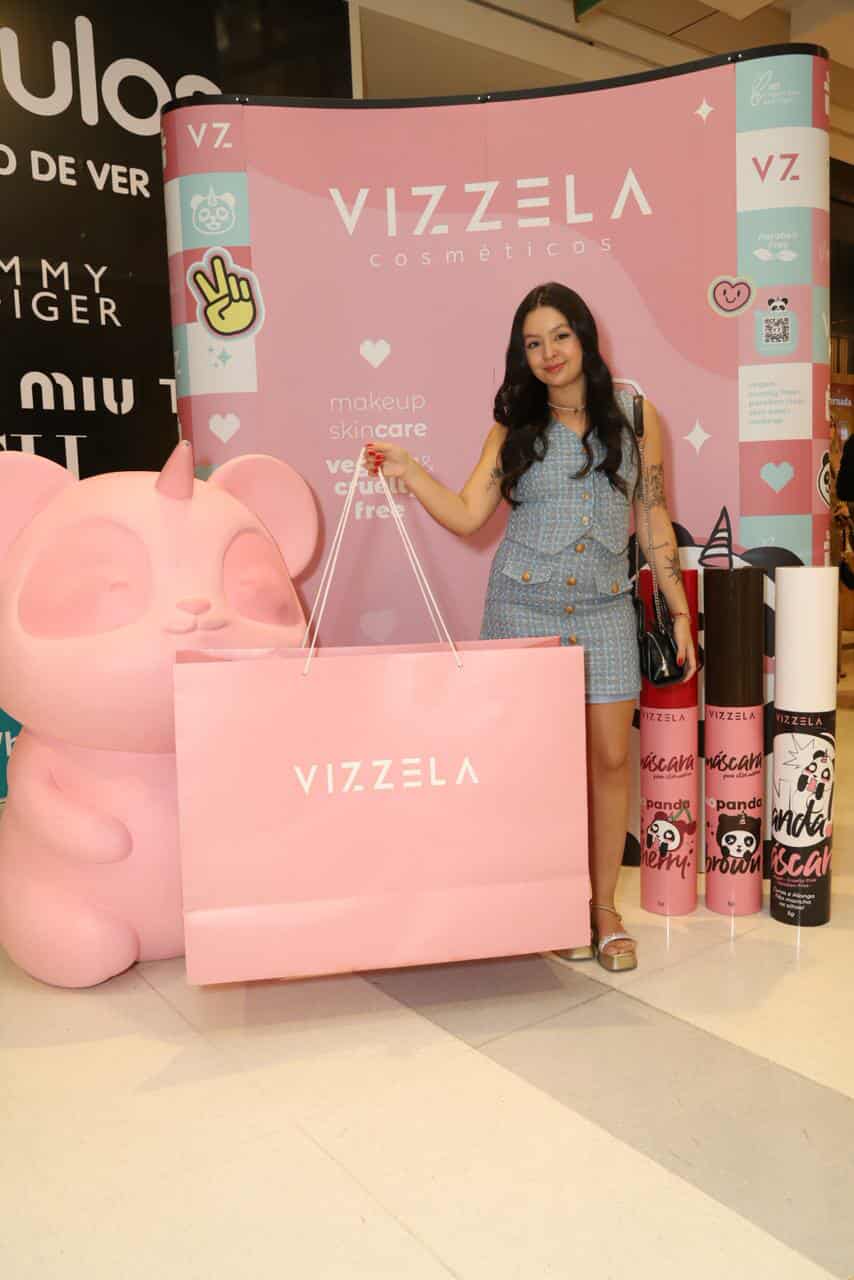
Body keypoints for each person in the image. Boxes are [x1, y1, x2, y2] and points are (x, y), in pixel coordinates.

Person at [366, 282, 697, 972]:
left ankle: (603, 910)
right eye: (533, 342)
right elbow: (467, 513)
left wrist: (677, 609)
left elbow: (652, 514)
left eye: (560, 336)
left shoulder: (636, 415)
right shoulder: (514, 426)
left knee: (611, 761)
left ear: (585, 337)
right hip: (522, 610)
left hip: (606, 609)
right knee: (540, 768)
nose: (549, 353)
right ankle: (555, 904)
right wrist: (409, 470)